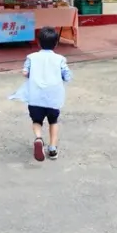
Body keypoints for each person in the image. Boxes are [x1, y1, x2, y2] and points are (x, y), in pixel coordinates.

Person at [10, 26, 72, 161]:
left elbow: (25, 73)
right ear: (56, 43)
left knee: (37, 120)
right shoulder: (60, 59)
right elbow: (67, 76)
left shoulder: (31, 57)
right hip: (53, 98)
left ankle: (38, 138)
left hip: (35, 97)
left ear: (38, 42)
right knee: (53, 121)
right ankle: (52, 149)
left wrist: (32, 75)